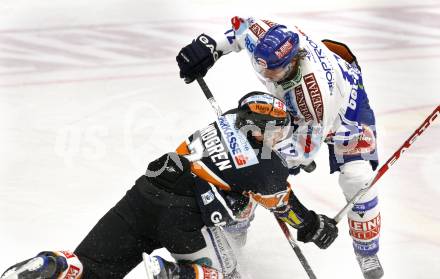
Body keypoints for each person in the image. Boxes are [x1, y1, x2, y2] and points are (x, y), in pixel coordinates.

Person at [1, 92, 338, 279]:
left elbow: (231, 169)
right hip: (182, 217)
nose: (279, 139)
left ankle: (57, 265)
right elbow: (287, 208)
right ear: (259, 127)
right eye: (276, 131)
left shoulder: (220, 124)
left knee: (94, 270)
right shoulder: (264, 164)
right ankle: (174, 274)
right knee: (222, 277)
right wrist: (315, 227)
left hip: (141, 196)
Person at [176, 17, 383, 279]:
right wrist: (209, 48)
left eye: (273, 71)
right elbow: (239, 32)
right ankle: (235, 228)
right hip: (295, 104)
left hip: (347, 109)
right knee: (250, 160)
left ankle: (367, 251)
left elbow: (304, 150)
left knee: (357, 178)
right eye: (263, 68)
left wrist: (261, 165)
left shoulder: (313, 100)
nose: (266, 75)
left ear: (294, 60)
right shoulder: (264, 38)